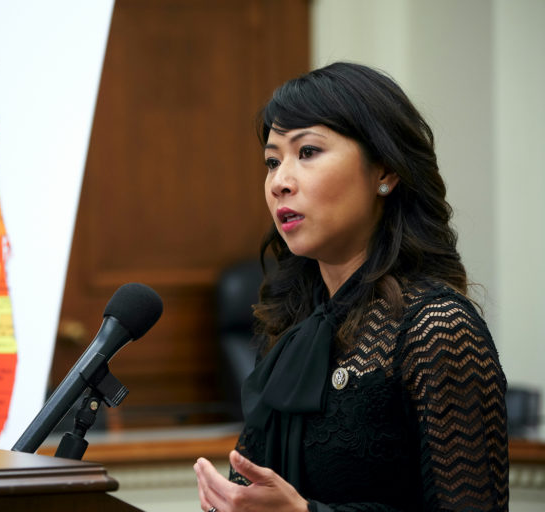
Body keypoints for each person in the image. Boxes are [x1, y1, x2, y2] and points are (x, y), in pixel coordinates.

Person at [193, 62, 509, 511]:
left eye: (307, 152)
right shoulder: (289, 327)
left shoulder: (437, 329)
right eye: (271, 161)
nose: (280, 181)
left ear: (384, 170)